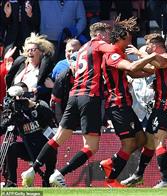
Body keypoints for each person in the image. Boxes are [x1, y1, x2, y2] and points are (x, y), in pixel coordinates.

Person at [20, 22, 111, 187]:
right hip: (89, 97)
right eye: (107, 33)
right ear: (100, 34)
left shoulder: (82, 52)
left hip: (74, 98)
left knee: (58, 138)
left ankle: (32, 169)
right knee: (91, 146)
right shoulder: (96, 46)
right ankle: (60, 174)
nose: (108, 37)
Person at [99, 16, 158, 188]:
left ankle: (110, 162)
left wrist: (153, 71)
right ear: (119, 37)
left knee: (140, 140)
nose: (130, 39)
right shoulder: (111, 54)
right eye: (128, 36)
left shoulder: (120, 54)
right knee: (130, 143)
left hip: (125, 104)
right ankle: (111, 179)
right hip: (117, 104)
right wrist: (150, 55)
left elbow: (133, 73)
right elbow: (132, 68)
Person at [120, 33, 167, 188]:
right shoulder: (161, 59)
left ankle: (166, 180)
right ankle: (138, 175)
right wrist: (129, 68)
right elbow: (151, 68)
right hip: (158, 105)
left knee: (159, 139)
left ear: (154, 45)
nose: (146, 47)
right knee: (149, 142)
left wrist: (140, 53)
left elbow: (160, 63)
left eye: (148, 44)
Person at [0, 82, 57, 187]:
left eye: (23, 95)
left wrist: (33, 105)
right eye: (17, 97)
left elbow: (51, 115)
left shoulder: (38, 103)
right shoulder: (13, 111)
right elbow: (1, 129)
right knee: (11, 147)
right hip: (28, 148)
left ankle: (48, 179)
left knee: (52, 145)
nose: (21, 100)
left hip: (44, 146)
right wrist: (10, 118)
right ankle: (11, 181)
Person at [5, 33, 55, 104]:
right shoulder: (21, 65)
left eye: (33, 49)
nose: (29, 52)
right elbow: (9, 80)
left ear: (41, 52)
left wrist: (37, 90)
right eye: (28, 50)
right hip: (15, 104)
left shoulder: (46, 69)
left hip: (34, 106)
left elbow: (48, 87)